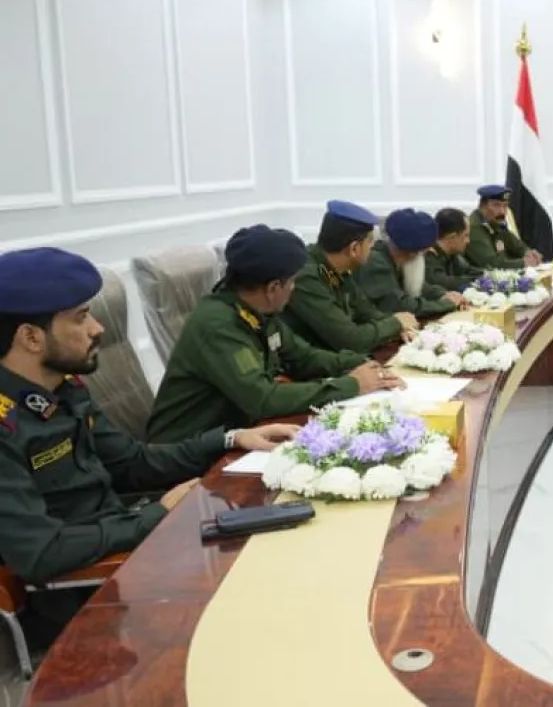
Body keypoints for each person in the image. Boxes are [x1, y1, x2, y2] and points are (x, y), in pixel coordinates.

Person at [0, 247, 295, 590]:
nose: (98, 328)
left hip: (124, 538)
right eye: (81, 318)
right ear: (31, 337)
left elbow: (133, 463)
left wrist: (231, 438)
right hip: (82, 585)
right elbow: (41, 552)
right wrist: (156, 515)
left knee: (277, 537)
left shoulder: (64, 389)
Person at [147, 225, 399, 444]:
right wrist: (352, 385)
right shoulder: (218, 325)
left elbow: (304, 357)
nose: (295, 288)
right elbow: (263, 399)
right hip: (190, 452)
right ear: (273, 288)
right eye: (292, 282)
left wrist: (361, 363)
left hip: (238, 433)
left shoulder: (258, 311)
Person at [282, 200, 417, 355]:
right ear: (354, 248)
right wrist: (395, 324)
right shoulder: (306, 277)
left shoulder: (335, 266)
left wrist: (398, 327)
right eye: (370, 241)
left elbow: (366, 311)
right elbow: (350, 340)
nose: (373, 246)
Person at [356, 208, 466, 320]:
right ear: (413, 253)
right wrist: (447, 304)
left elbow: (416, 285)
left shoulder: (397, 258)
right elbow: (400, 305)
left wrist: (442, 294)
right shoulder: (376, 264)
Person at [465, 185, 541, 271]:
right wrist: (523, 263)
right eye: (496, 205)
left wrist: (529, 253)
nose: (502, 211)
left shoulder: (495, 223)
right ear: (483, 206)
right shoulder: (474, 228)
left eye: (505, 206)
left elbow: (517, 246)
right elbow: (491, 263)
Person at [426, 208, 484, 292]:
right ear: (452, 237)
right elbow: (444, 283)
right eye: (465, 236)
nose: (468, 241)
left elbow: (474, 272)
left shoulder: (453, 255)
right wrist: (473, 281)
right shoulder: (429, 256)